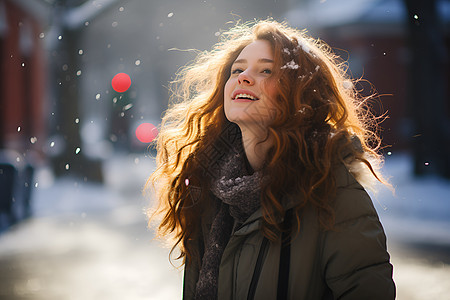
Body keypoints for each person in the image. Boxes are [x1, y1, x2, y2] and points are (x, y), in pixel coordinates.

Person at [147, 19, 396, 300]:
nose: (243, 77)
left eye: (266, 70)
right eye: (237, 70)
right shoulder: (206, 186)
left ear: (300, 94)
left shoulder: (332, 191)